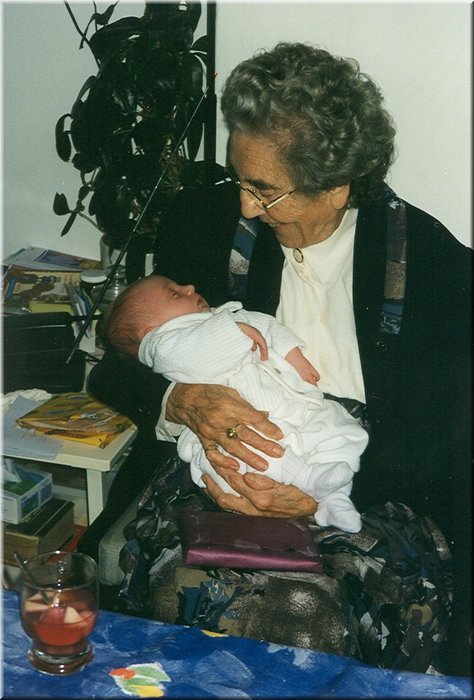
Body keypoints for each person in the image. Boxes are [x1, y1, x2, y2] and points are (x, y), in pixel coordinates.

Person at [86, 42, 471, 675]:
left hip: (368, 485)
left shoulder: (432, 265)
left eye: (263, 190)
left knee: (300, 614)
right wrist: (177, 400)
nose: (244, 205)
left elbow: (447, 440)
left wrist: (315, 495)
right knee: (184, 592)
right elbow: (118, 361)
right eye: (240, 179)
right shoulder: (204, 222)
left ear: (336, 187)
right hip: (215, 478)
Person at [104, 275, 369, 532]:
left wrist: (293, 354)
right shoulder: (163, 343)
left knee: (339, 427)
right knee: (248, 457)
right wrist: (232, 331)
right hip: (241, 421)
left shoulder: (222, 315)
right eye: (174, 293)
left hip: (290, 405)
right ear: (151, 332)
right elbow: (180, 354)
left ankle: (334, 499)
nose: (190, 286)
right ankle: (308, 479)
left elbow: (266, 325)